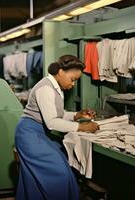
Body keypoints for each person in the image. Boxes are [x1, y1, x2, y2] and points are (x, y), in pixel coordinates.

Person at [15, 55, 99, 200]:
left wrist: (77, 115)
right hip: (29, 135)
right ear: (61, 72)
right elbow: (52, 122)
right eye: (72, 79)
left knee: (38, 178)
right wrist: (81, 127)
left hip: (38, 133)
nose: (73, 84)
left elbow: (57, 114)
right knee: (61, 175)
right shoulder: (45, 88)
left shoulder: (55, 87)